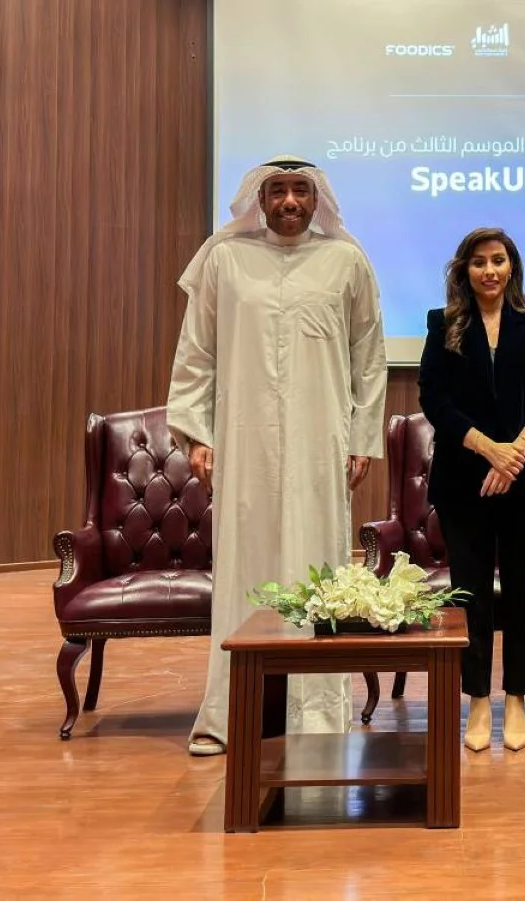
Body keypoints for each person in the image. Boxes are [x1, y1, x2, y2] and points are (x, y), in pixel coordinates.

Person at [167, 155, 388, 756]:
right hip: (245, 443)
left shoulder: (346, 260)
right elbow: (197, 352)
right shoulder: (224, 259)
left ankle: (316, 718)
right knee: (247, 568)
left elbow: (369, 356)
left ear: (318, 201)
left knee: (315, 562)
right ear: (258, 200)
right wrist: (199, 434)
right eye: (278, 191)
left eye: (300, 191)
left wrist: (363, 438)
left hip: (323, 446)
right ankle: (233, 716)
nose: (290, 201)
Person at [418, 227, 525, 753]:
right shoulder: (443, 325)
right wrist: (488, 449)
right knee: (472, 592)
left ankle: (518, 699)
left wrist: (516, 452)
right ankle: (478, 699)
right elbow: (433, 398)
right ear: (465, 270)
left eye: (498, 260)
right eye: (479, 262)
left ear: (511, 267)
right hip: (465, 480)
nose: (489, 270)